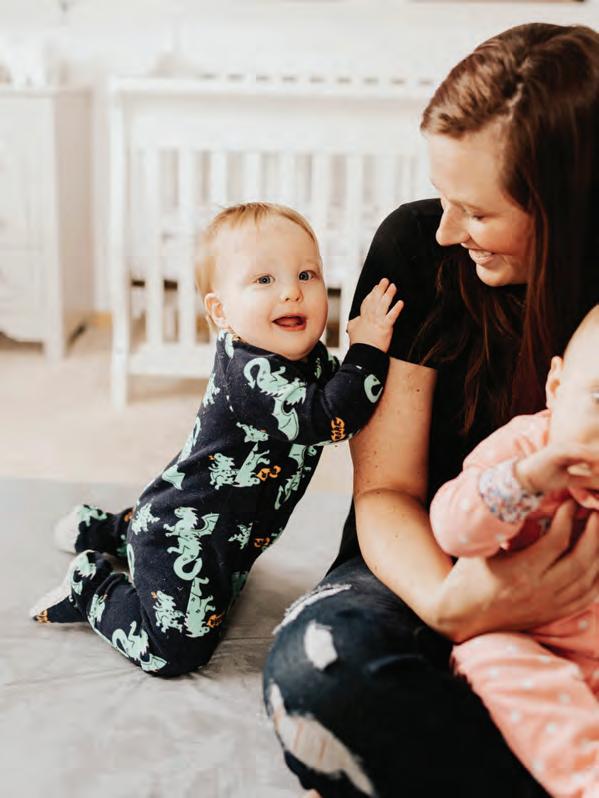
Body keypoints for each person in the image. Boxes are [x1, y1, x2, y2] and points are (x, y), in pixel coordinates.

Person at [263, 23, 599, 798]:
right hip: (422, 565)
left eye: (476, 211)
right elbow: (387, 492)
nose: (449, 229)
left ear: (564, 210)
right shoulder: (418, 247)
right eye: (445, 198)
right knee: (319, 675)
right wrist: (454, 605)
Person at [29, 202, 403, 677]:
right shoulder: (250, 374)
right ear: (221, 311)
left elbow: (344, 394)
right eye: (264, 279)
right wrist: (367, 349)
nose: (292, 291)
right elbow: (329, 418)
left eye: (307, 274)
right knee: (173, 652)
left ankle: (109, 529)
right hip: (181, 536)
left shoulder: (305, 358)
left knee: (206, 580)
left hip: (220, 534)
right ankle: (92, 587)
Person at [429, 305, 599, 797]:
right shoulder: (523, 450)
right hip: (529, 647)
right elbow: (453, 529)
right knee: (487, 657)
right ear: (556, 388)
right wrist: (524, 483)